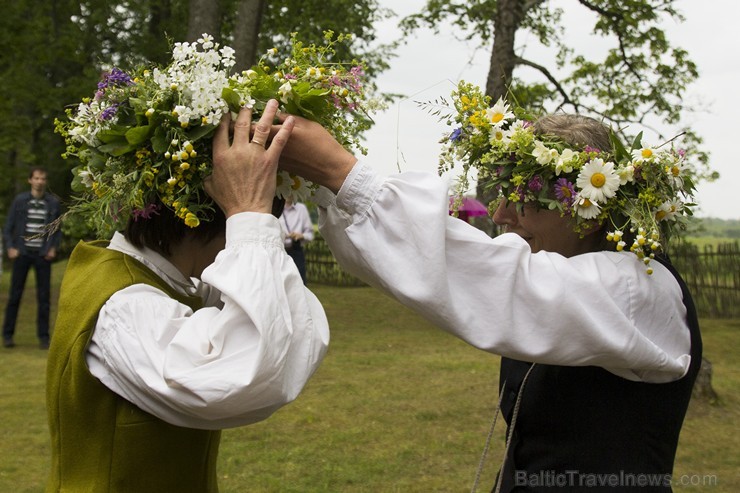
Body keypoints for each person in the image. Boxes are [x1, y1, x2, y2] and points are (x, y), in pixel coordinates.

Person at [270, 108, 702, 491]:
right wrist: (323, 186)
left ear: (586, 209)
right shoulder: (567, 270)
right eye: (502, 196)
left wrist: (339, 171)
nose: (499, 216)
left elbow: (498, 278)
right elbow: (421, 274)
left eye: (525, 199)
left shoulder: (641, 287)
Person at [45, 101, 330, 492]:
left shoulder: (174, 283)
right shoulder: (125, 306)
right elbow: (254, 374)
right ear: (203, 215)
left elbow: (286, 323)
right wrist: (248, 211)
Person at [3, 167, 61, 349]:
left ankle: (44, 337)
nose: (39, 181)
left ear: (45, 181)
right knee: (15, 295)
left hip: (42, 255)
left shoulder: (52, 203)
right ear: (30, 180)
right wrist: (10, 247)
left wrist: (53, 248)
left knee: (44, 298)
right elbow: (8, 227)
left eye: (42, 178)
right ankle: (7, 335)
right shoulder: (21, 201)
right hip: (22, 253)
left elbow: (57, 230)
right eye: (36, 178)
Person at [280, 197, 315, 284]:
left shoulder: (301, 209)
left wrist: (301, 236)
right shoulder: (275, 208)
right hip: (280, 252)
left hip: (296, 251)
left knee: (300, 283)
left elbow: (310, 234)